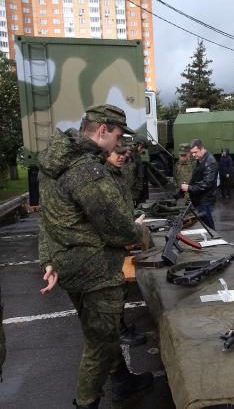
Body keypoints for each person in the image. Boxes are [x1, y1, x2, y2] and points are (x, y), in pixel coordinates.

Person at [38, 105, 153, 409]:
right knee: (99, 344)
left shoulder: (56, 163)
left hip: (67, 266)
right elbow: (119, 230)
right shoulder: (86, 170)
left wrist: (48, 259)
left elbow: (49, 220)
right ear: (102, 130)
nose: (119, 143)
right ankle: (85, 402)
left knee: (99, 331)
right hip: (96, 272)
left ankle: (122, 380)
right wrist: (137, 231)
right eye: (117, 135)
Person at [104, 147, 147, 346]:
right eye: (117, 153)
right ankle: (118, 331)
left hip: (119, 237)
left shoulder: (116, 173)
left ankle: (119, 327)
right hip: (110, 243)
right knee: (114, 291)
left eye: (124, 153)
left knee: (120, 290)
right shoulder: (103, 175)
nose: (122, 156)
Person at [182, 139, 218, 230]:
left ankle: (215, 241)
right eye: (192, 153)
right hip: (201, 199)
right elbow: (199, 177)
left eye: (195, 152)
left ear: (201, 149)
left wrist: (189, 188)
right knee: (205, 225)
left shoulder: (210, 162)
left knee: (209, 226)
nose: (193, 155)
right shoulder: (202, 159)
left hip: (205, 200)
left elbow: (206, 183)